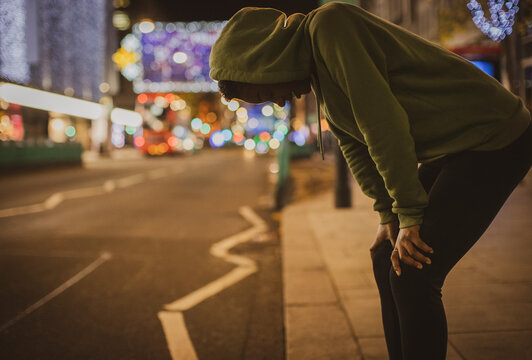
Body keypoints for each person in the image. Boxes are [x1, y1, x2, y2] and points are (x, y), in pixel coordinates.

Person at [209, 2, 532, 359]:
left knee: (413, 276)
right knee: (385, 255)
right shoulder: (319, 72)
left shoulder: (332, 26)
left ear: (264, 61)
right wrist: (387, 215)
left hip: (495, 135)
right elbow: (354, 143)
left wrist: (408, 213)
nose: (279, 101)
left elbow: (382, 124)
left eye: (266, 93)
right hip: (457, 147)